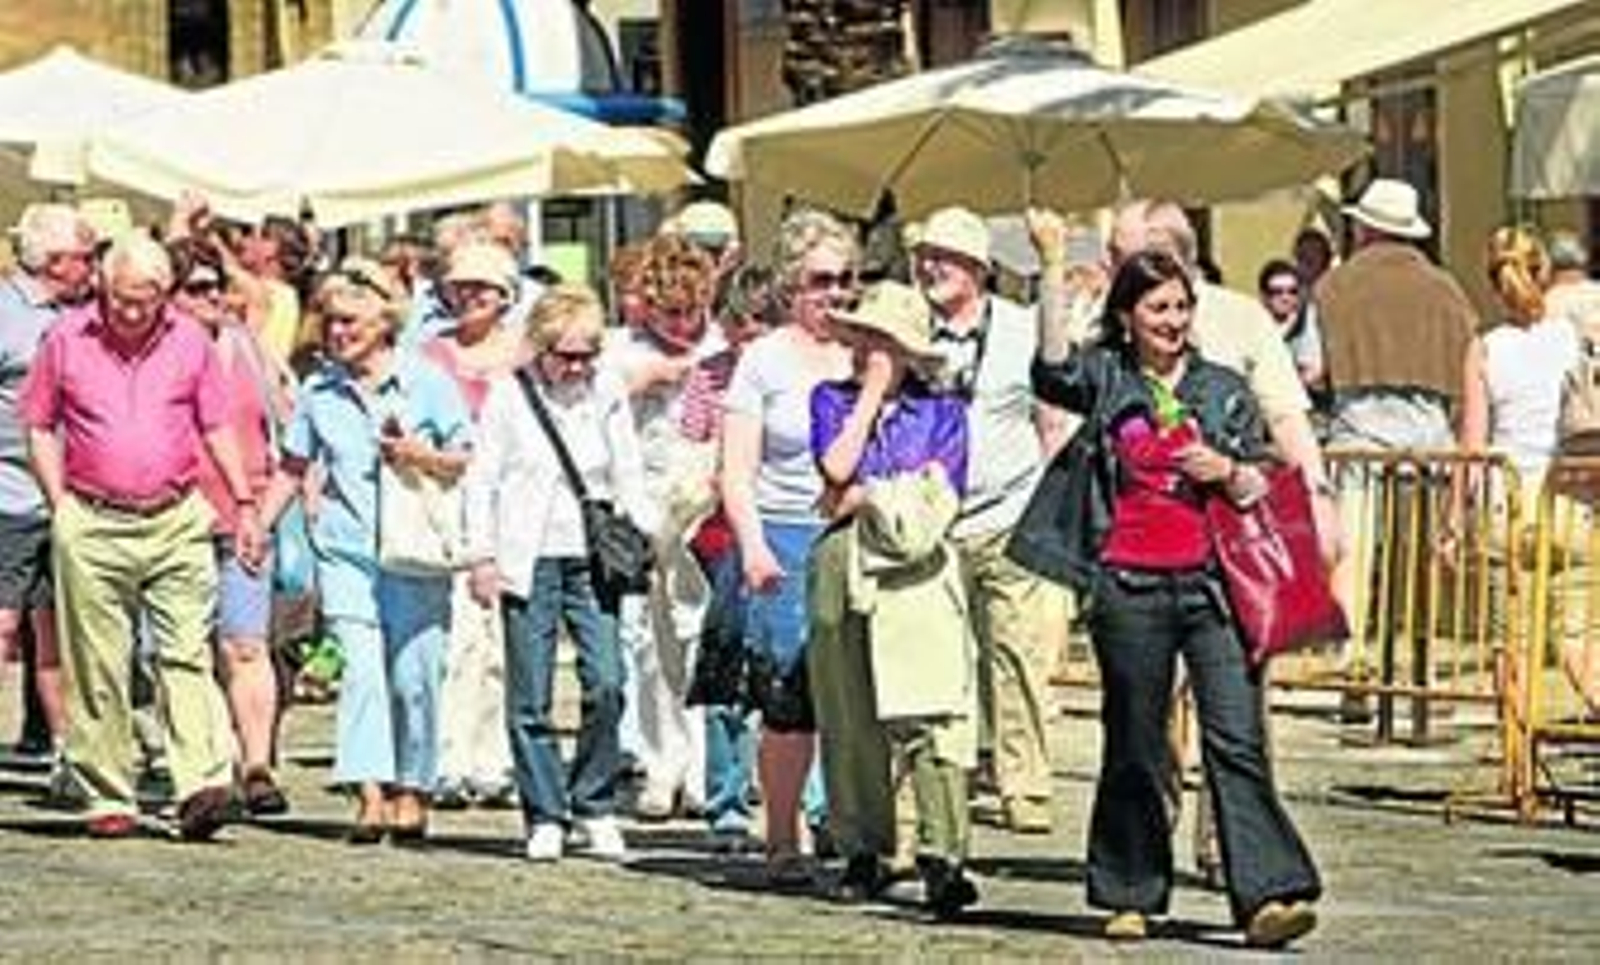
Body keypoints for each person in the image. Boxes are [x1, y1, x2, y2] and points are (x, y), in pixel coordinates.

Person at [1014, 249, 1321, 947]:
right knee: (1136, 742)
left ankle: (1268, 895)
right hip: (1129, 584)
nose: (1173, 320)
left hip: (1214, 587)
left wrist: (1228, 470)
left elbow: (1262, 480)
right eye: (1157, 308)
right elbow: (1052, 371)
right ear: (1127, 316)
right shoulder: (1107, 375)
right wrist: (1054, 266)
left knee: (1236, 738)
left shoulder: (1221, 387)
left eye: (1182, 307)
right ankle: (1130, 891)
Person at [20, 232, 255, 841]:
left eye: (143, 302)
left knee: (184, 650)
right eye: (120, 299)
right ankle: (108, 793)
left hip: (176, 514)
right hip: (92, 518)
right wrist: (60, 502)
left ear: (165, 296)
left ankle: (201, 783)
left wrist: (245, 500)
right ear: (103, 285)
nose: (129, 313)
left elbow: (216, 424)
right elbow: (40, 424)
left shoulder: (189, 341)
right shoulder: (66, 338)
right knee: (98, 660)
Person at [258, 258, 471, 844]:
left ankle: (414, 785)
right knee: (361, 674)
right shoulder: (319, 390)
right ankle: (370, 790)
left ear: (384, 321)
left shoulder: (427, 380)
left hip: (415, 553)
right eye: (329, 321)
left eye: (350, 320)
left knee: (414, 677)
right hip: (346, 551)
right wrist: (261, 523)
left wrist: (419, 455)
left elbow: (469, 457)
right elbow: (294, 465)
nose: (337, 332)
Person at [808, 279, 979, 917]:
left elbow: (938, 497)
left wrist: (870, 495)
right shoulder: (830, 399)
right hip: (841, 564)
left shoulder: (944, 413)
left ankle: (944, 854)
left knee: (932, 711)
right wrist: (872, 396)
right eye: (863, 340)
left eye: (884, 344)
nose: (868, 353)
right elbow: (835, 469)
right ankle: (862, 850)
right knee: (850, 714)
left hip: (916, 569)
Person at [464, 283, 647, 863]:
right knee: (531, 693)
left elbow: (629, 470)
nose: (578, 365)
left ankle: (593, 801)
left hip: (593, 553)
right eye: (566, 354)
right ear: (540, 348)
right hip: (528, 553)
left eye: (588, 352)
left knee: (608, 680)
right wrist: (481, 555)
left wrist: (644, 536)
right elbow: (482, 480)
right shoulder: (508, 396)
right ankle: (545, 811)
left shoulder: (607, 390)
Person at [912, 205, 1069, 835]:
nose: (929, 267)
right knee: (944, 661)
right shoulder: (910, 327)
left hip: (1008, 511)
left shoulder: (1020, 328)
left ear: (978, 269)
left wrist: (1053, 260)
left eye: (944, 258)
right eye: (924, 255)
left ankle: (1024, 785)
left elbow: (1052, 410)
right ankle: (953, 776)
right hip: (930, 522)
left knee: (1017, 655)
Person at [720, 208, 854, 879]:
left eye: (846, 279)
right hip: (785, 533)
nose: (836, 293)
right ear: (791, 285)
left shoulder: (866, 350)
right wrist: (753, 546)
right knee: (790, 695)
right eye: (822, 280)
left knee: (853, 695)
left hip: (855, 535)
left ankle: (851, 823)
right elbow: (736, 469)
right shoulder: (763, 360)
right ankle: (782, 832)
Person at [169, 237, 291, 816]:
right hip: (172, 517)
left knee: (247, 643)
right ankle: (205, 763)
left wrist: (277, 504)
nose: (213, 296)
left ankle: (258, 765)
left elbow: (285, 422)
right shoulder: (157, 351)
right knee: (180, 650)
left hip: (247, 514)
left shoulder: (245, 346)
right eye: (196, 288)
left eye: (216, 284)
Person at [1449, 228, 1594, 710]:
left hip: (1506, 506)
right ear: (1545, 273)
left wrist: (1451, 522)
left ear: (1493, 283)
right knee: (1579, 645)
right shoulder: (1573, 341)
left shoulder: (1486, 348)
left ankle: (1519, 766)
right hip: (1569, 501)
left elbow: (1472, 443)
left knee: (1512, 647)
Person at [602, 232, 720, 820]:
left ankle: (703, 767)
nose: (680, 323)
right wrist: (641, 381)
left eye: (690, 311)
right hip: (643, 507)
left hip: (704, 508)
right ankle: (659, 761)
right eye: (667, 311)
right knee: (650, 644)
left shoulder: (720, 349)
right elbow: (596, 412)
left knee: (699, 635)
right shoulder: (620, 349)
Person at [422, 241, 526, 811]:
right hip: (448, 499)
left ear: (504, 296)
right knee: (459, 633)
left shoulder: (525, 355)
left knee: (505, 639)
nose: (468, 298)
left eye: (480, 289)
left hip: (514, 503)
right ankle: (448, 757)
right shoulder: (432, 355)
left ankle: (495, 758)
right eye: (459, 288)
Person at [678, 262, 776, 846]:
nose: (744, 337)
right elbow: (687, 454)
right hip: (721, 536)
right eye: (736, 324)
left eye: (757, 324)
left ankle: (810, 804)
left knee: (793, 669)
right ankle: (726, 800)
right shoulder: (709, 376)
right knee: (726, 665)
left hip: (787, 528)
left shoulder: (806, 372)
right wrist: (707, 479)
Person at [0, 204, 95, 780]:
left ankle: (68, 752)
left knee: (59, 632)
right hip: (8, 495)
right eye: (87, 256)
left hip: (75, 496)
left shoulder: (86, 315)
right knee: (4, 625)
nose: (94, 266)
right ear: (55, 262)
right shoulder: (6, 313)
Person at [1257, 258, 1325, 392]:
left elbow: (1314, 369)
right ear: (1264, 295)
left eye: (1292, 291)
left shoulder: (1307, 319)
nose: (1285, 297)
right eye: (1277, 291)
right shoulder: (1255, 322)